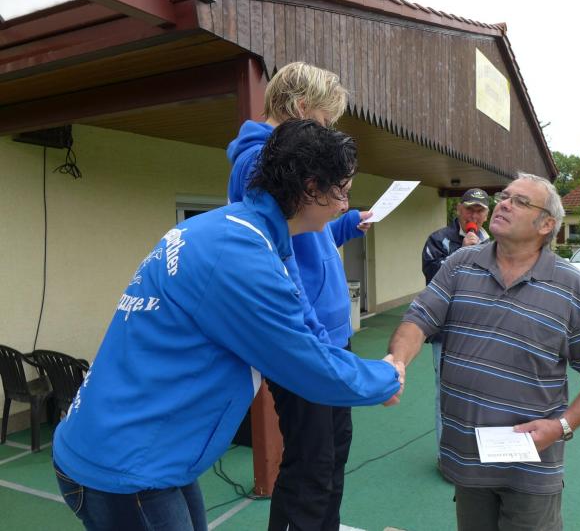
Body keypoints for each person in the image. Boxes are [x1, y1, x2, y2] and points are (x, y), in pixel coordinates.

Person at [52, 120, 404, 531]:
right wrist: (385, 377)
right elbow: (305, 364)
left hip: (144, 449)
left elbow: (302, 325)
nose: (345, 205)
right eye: (342, 192)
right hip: (125, 464)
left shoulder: (233, 230)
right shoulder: (240, 257)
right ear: (311, 188)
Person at [392, 173, 580, 530]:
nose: (503, 204)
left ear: (546, 224)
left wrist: (562, 426)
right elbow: (418, 319)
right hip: (469, 458)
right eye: (504, 196)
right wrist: (397, 361)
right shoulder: (460, 264)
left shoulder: (571, 287)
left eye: (520, 201)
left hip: (531, 466)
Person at [227, 62, 372, 530]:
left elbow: (308, 236)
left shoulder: (296, 162)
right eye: (326, 120)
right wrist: (311, 338)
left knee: (332, 453)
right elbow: (276, 260)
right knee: (311, 462)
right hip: (305, 338)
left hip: (329, 334)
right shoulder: (260, 161)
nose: (327, 131)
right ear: (302, 107)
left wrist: (347, 223)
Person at [421, 188, 490, 447]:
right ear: (458, 209)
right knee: (446, 391)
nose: (474, 215)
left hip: (482, 330)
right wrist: (462, 252)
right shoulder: (438, 240)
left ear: (486, 215)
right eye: (469, 209)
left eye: (479, 210)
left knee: (481, 391)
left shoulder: (492, 243)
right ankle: (445, 453)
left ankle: (475, 448)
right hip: (447, 329)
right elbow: (433, 278)